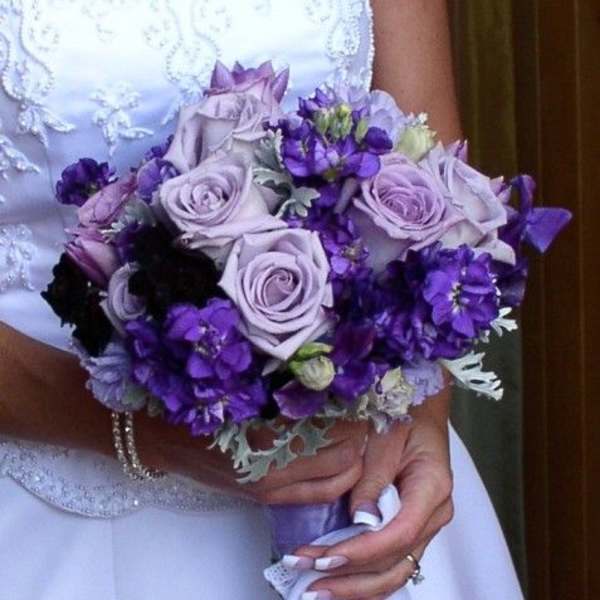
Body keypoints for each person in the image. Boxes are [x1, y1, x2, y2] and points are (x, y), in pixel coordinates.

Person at [0, 1, 523, 598]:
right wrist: (141, 433)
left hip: (354, 480)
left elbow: (436, 184)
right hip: (52, 491)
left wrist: (422, 426)